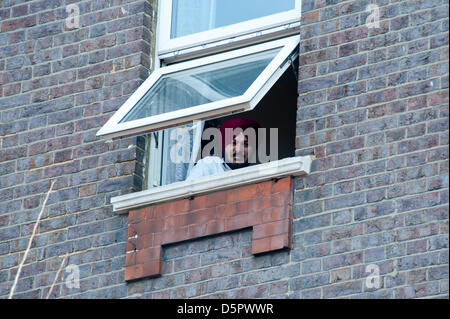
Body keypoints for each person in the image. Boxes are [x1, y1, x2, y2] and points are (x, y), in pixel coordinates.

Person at [185, 118, 260, 180]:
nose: (239, 149)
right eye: (233, 143)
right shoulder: (209, 166)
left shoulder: (258, 176)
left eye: (246, 144)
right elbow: (187, 194)